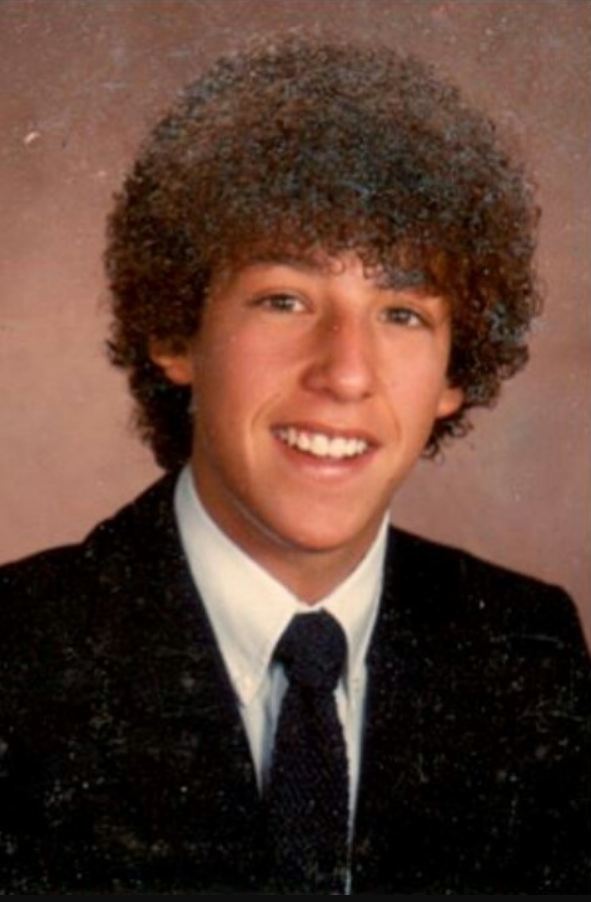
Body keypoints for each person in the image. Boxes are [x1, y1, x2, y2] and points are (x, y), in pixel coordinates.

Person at [0, 31, 588, 895]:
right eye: (284, 299)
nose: (345, 373)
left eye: (401, 314)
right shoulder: (17, 657)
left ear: (453, 377)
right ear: (175, 333)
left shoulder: (526, 647)